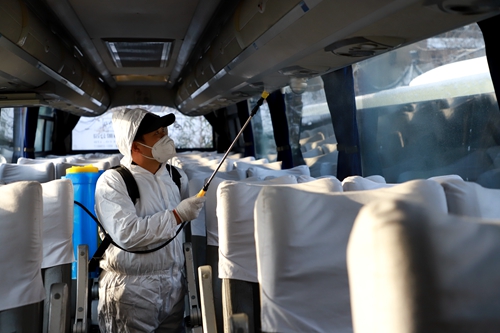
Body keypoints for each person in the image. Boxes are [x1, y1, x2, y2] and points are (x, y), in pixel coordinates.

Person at [95, 107, 206, 332]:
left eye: (165, 131)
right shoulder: (113, 181)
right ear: (135, 146)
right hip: (132, 291)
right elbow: (127, 234)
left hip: (173, 285)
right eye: (157, 134)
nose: (165, 137)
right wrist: (177, 215)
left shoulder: (176, 177)